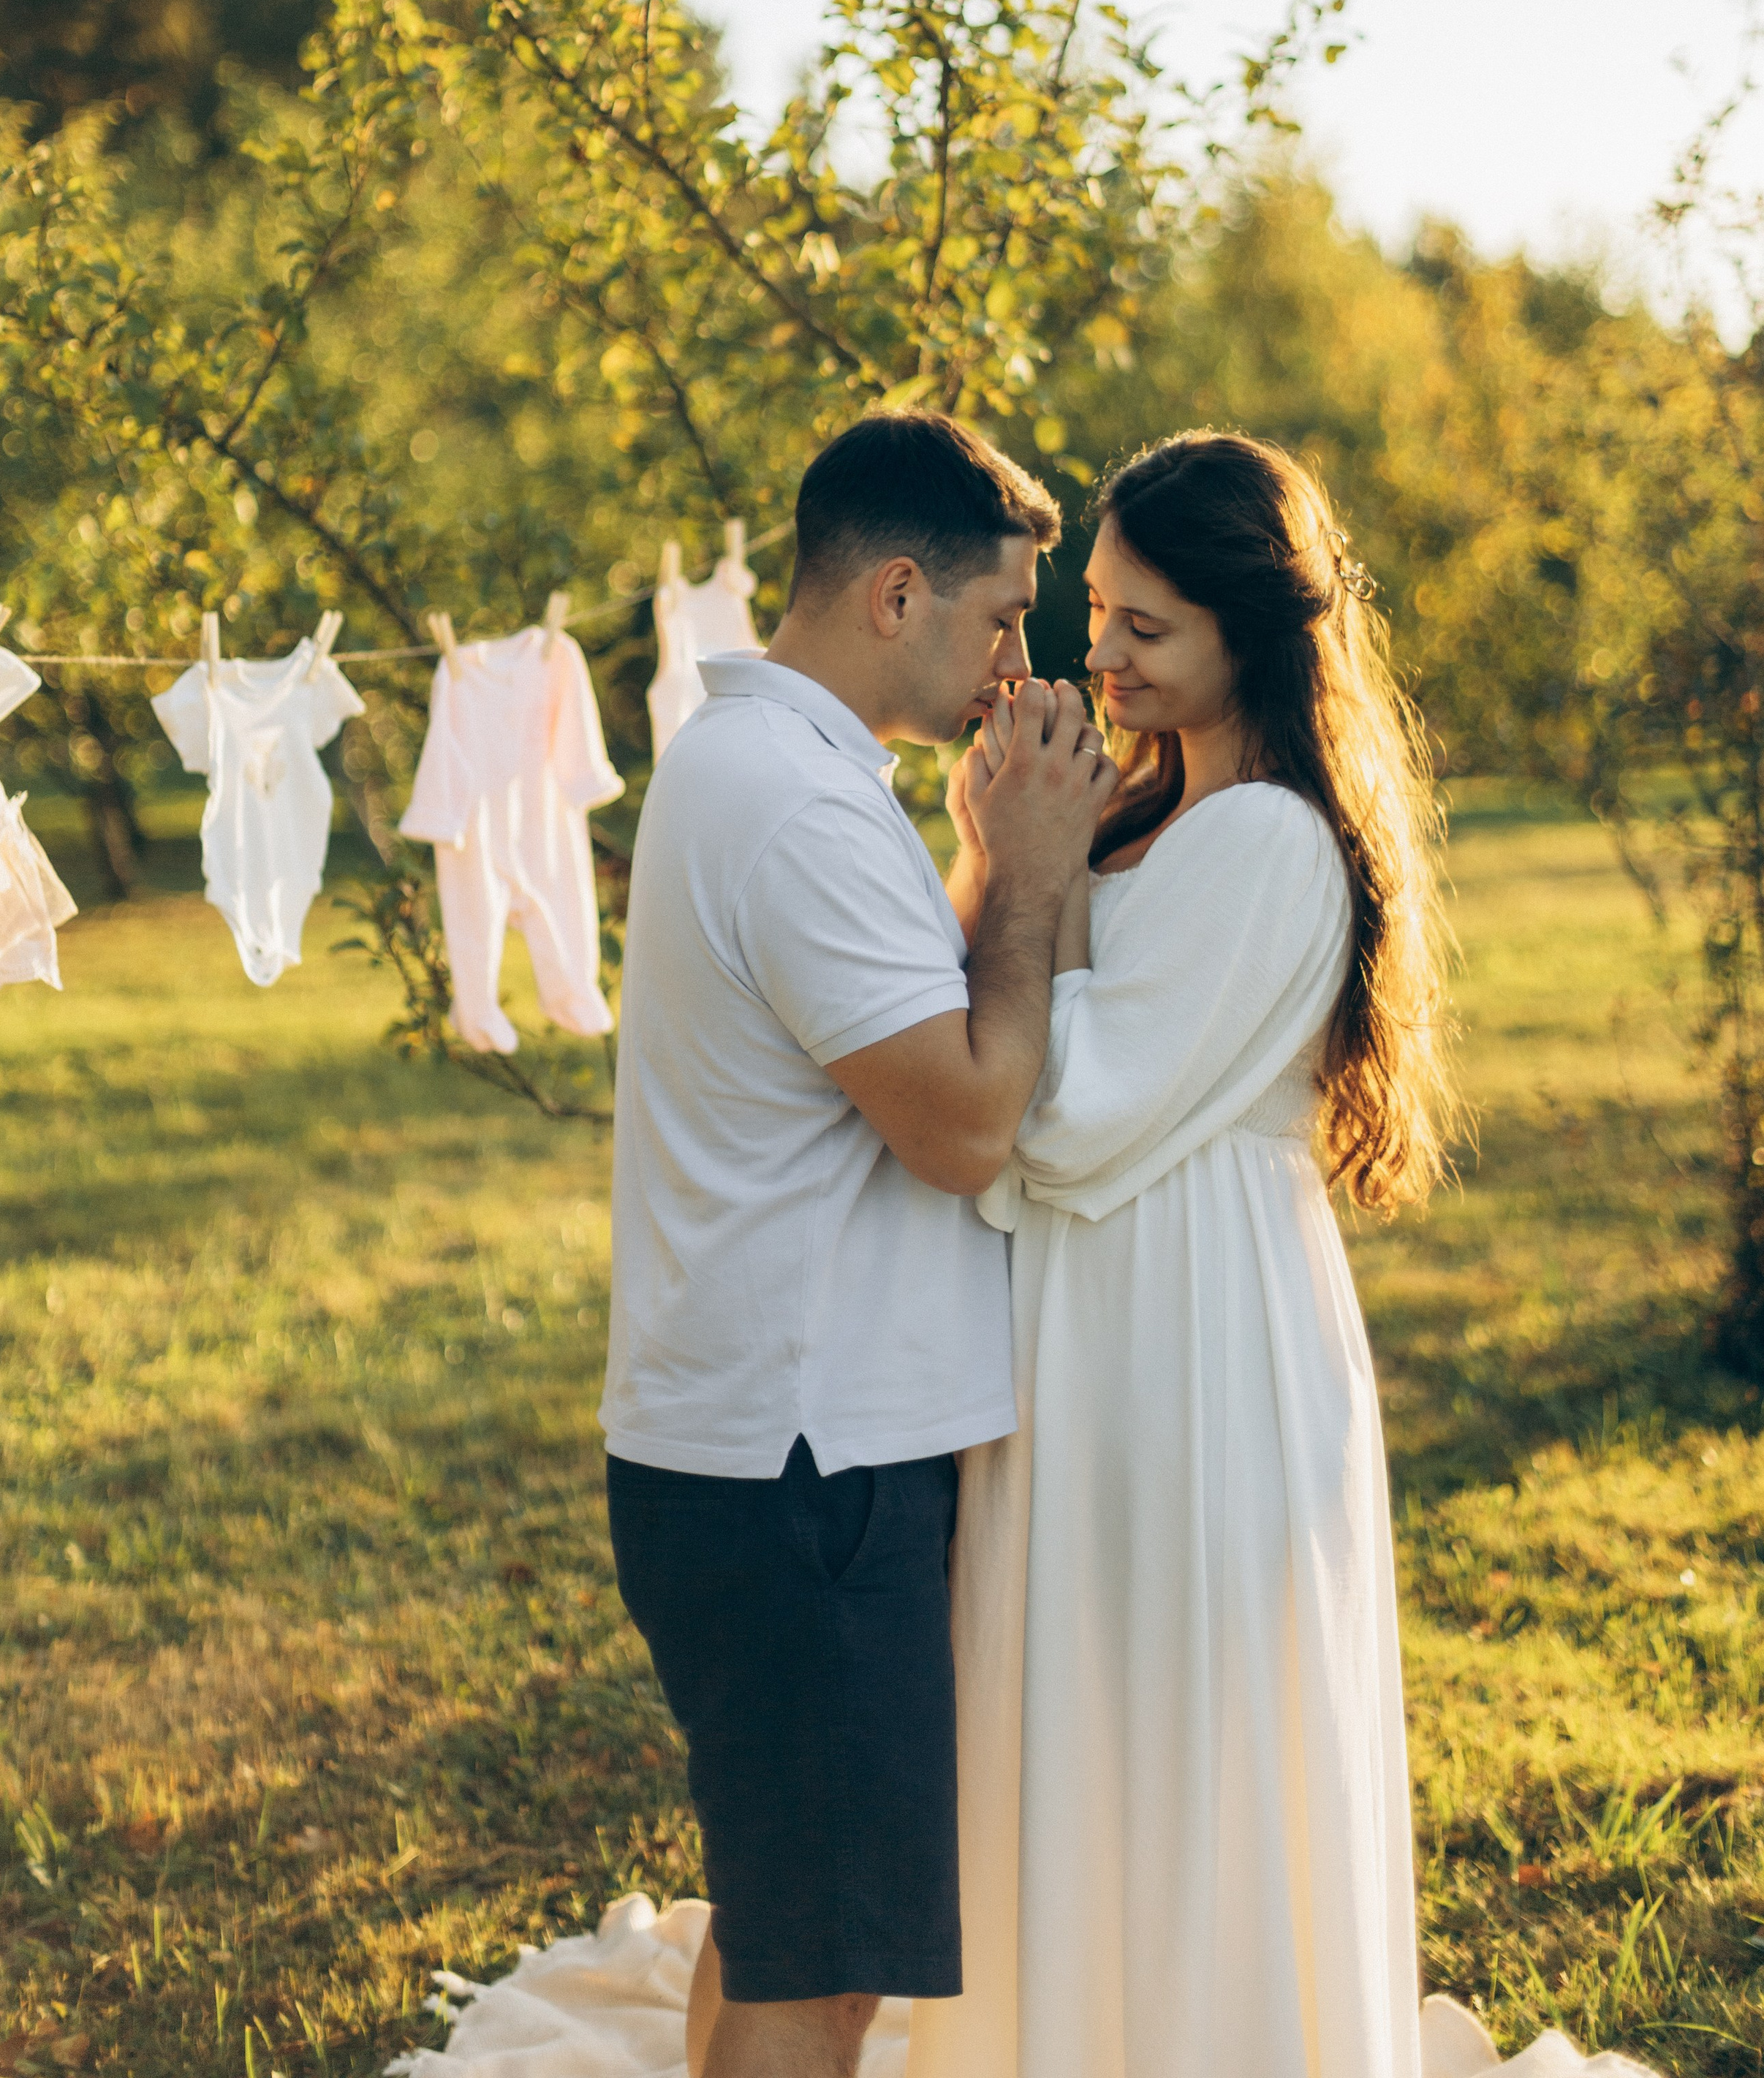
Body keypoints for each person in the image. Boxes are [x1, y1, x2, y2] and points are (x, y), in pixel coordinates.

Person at [907, 429, 1457, 2078]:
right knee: (1069, 1706)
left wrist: (1029, 870)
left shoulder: (1271, 844)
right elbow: (999, 1039)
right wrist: (1012, 851)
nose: (1100, 655)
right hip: (1081, 1318)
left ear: (1249, 628)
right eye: (1094, 612)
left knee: (1178, 1709)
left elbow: (1063, 1108)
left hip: (1191, 1328)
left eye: (1145, 627)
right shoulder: (1148, 816)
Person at [599, 412, 1116, 2078]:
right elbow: (966, 1122)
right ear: (897, 591)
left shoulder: (761, 765)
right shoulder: (803, 811)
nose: (1013, 660)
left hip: (755, 1446)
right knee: (821, 1981)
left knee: (785, 1926)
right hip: (799, 1471)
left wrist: (974, 864)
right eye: (1000, 616)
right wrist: (1025, 872)